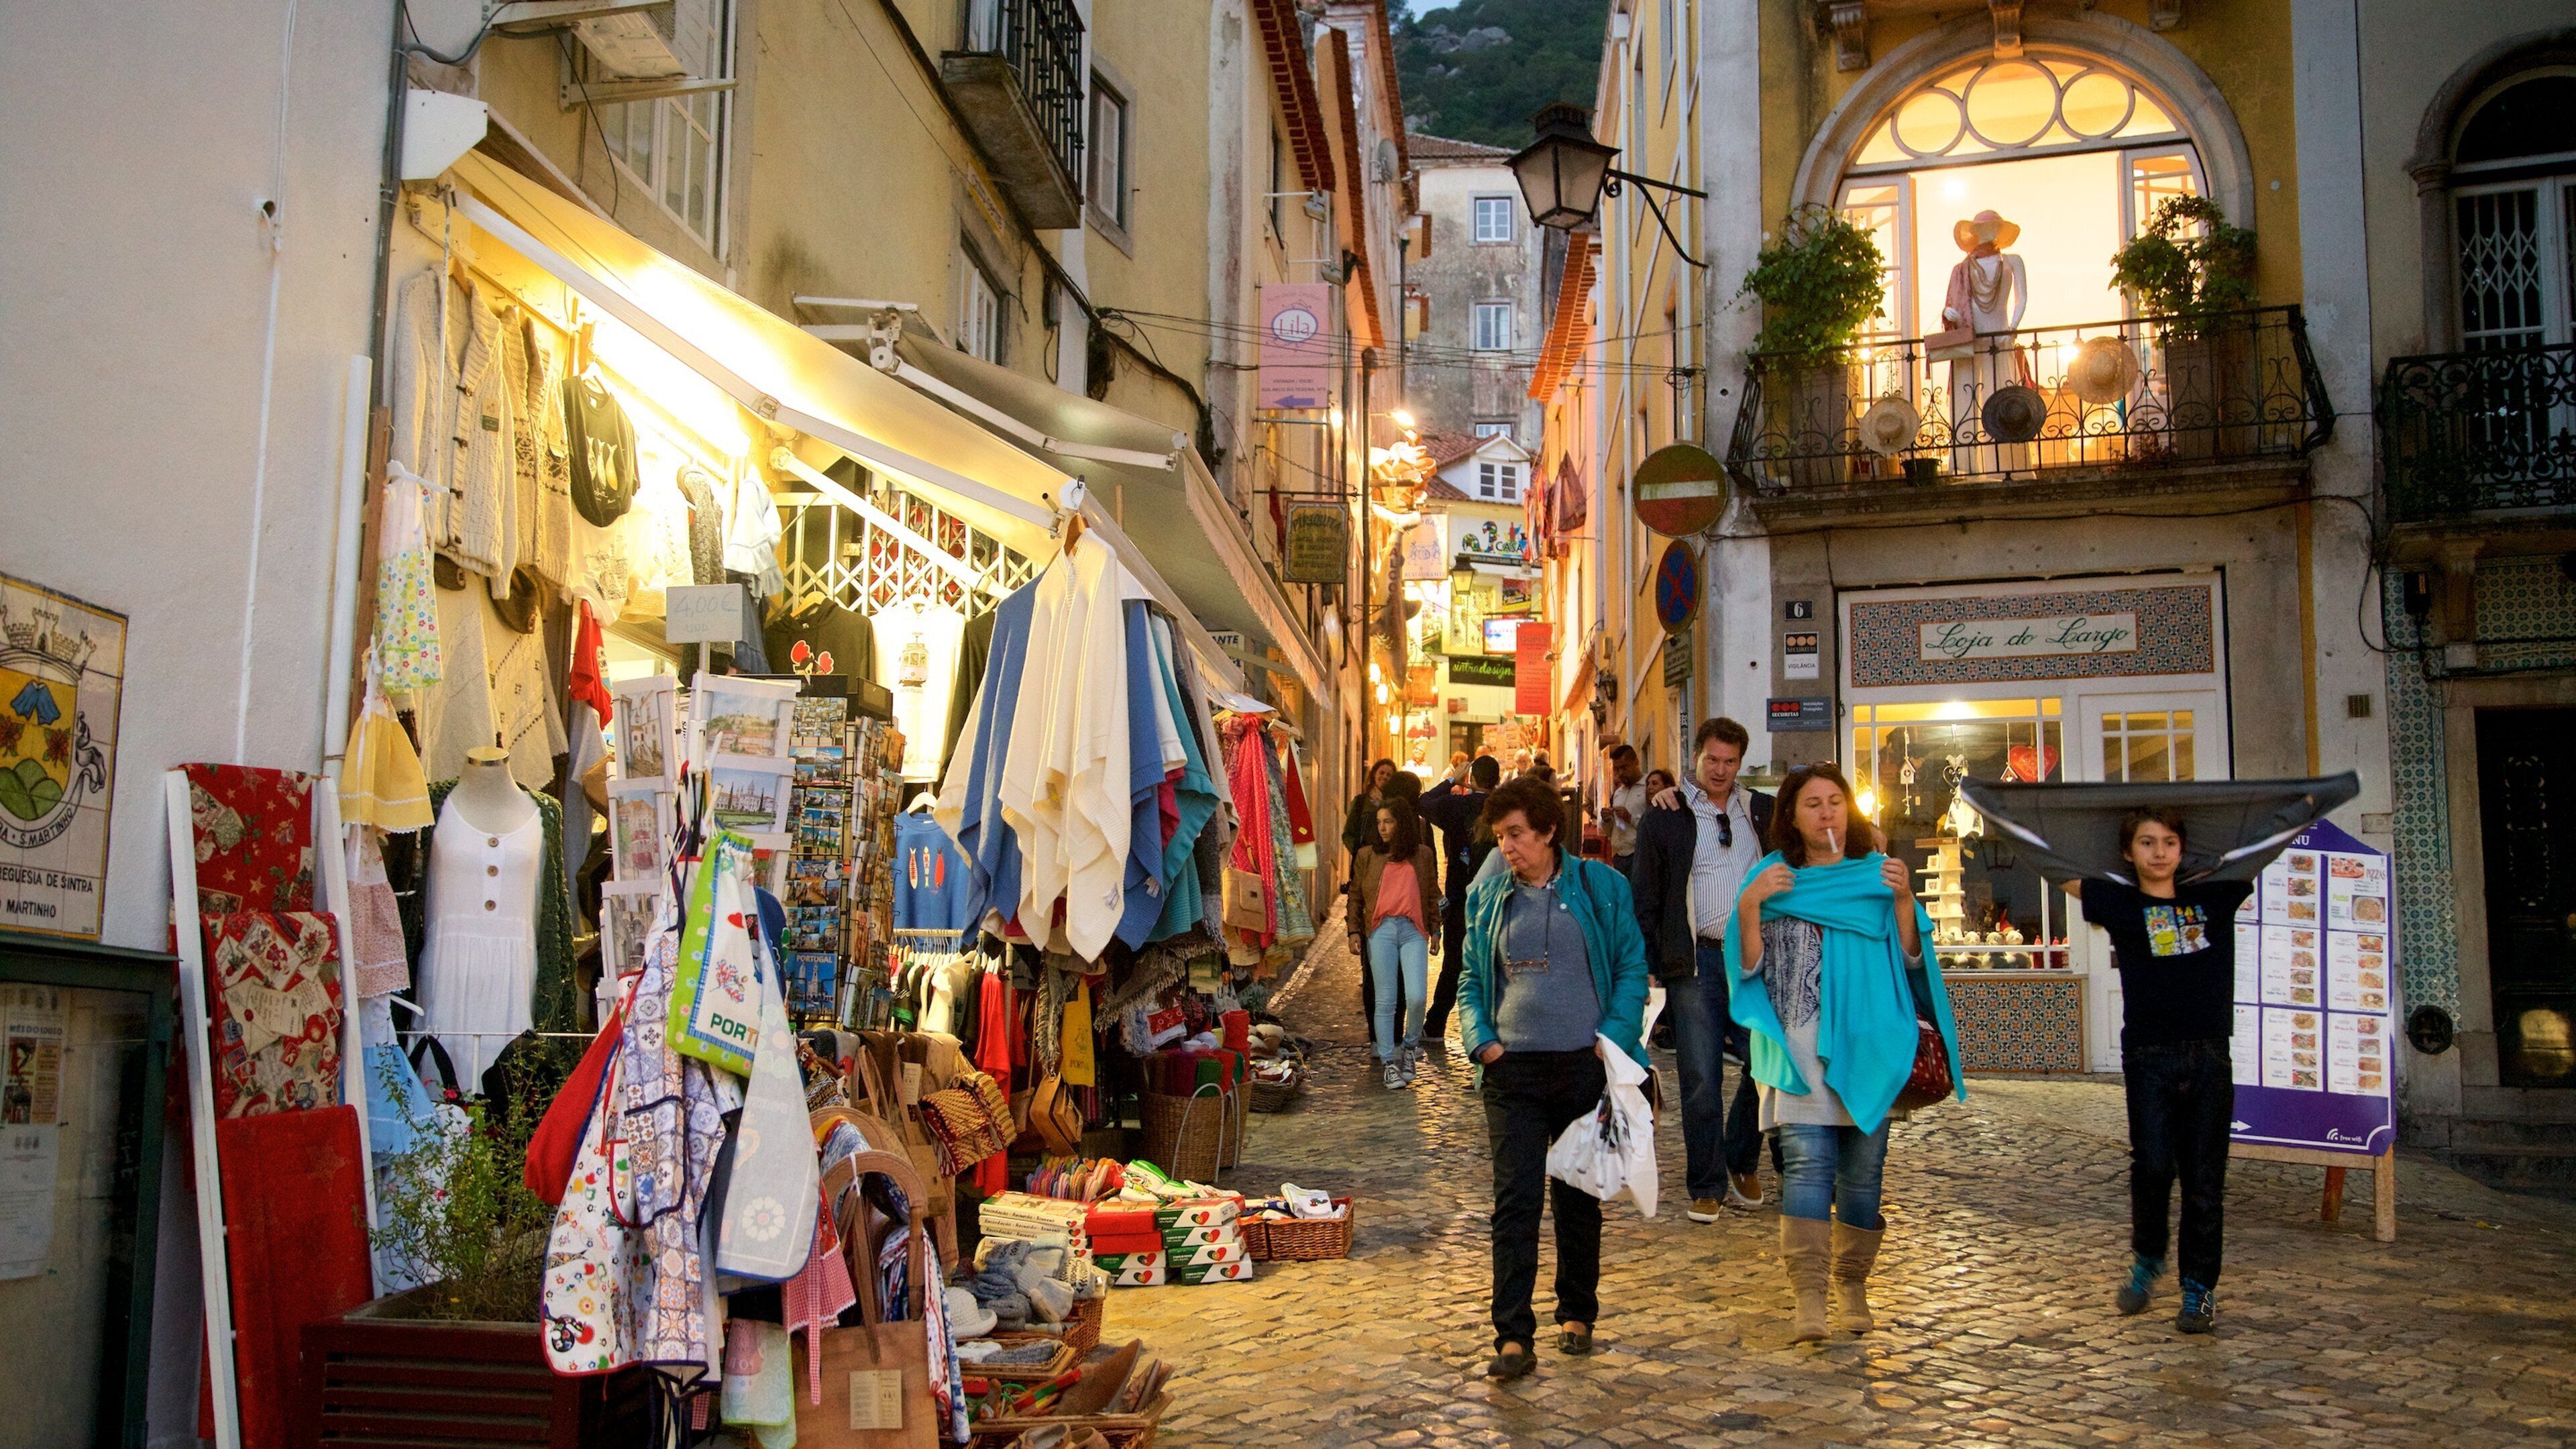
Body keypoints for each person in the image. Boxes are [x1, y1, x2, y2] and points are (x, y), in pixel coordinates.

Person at [1729, 763, 1961, 1343]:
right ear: (1791, 816)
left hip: (1871, 1044)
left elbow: (1912, 961)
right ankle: (1809, 1298)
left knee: (1863, 1174)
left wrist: (1903, 900)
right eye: (1812, 803)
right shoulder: (1770, 878)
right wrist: (1750, 905)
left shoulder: (1876, 876)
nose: (1826, 812)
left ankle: (1852, 1285)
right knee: (1807, 1166)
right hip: (1798, 1047)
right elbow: (1749, 968)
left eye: (1835, 801)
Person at [1458, 776, 1651, 1380]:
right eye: (1500, 837)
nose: (1507, 847)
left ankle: (1577, 1313)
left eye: (1516, 834)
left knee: (1577, 1197)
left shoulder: (1603, 888)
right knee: (1514, 1201)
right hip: (1511, 1071)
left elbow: (1631, 968)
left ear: (1547, 830)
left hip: (1580, 1067)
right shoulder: (1488, 897)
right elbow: (1471, 977)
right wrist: (1482, 1041)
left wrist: (1610, 1038)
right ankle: (1513, 1335)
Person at [2062, 808, 2249, 1335]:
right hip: (2148, 1057)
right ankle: (2148, 1257)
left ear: (2183, 849)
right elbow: (2055, 867)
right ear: (2129, 852)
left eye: (2169, 841)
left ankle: (2199, 1289)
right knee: (2152, 1167)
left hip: (2209, 1055)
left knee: (2205, 1180)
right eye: (2146, 842)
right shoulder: (2120, 904)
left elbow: (2257, 847)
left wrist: (2304, 804)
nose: (2159, 852)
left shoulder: (2215, 898)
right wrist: (2004, 815)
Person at [1631, 718, 1775, 1221]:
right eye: (1712, 759)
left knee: (1767, 1065)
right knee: (1699, 1076)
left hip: (1754, 960)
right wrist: (1649, 964)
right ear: (1695, 757)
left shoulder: (1760, 811)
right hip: (1695, 960)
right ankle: (1707, 1184)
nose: (1720, 770)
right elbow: (1645, 896)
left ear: (1741, 764)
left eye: (1730, 761)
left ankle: (1741, 1156)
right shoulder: (1666, 815)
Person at [1350, 797, 1442, 1087]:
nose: (1382, 828)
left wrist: (1436, 930)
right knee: (1386, 1000)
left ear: (1402, 823)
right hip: (1381, 931)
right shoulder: (1367, 855)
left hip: (1413, 930)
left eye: (1388, 822)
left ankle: (1410, 1048)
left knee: (1416, 997)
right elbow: (1355, 895)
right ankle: (1389, 1062)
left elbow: (1432, 894)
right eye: (1379, 822)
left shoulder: (1423, 855)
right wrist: (1353, 931)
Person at [1420, 753, 1501, 1042]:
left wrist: (1452, 781)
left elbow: (1423, 802)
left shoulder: (1457, 805)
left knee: (1454, 962)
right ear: (1497, 780)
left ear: (1472, 778)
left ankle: (1435, 1025)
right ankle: (1496, 1030)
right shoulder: (1504, 808)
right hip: (1498, 897)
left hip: (1461, 895)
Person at [1342, 758, 1398, 1019]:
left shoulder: (1394, 804)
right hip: (1365, 863)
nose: (1384, 777)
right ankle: (1368, 965)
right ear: (1374, 774)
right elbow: (1348, 833)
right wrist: (1359, 853)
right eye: (1381, 773)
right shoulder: (1361, 802)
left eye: (1389, 775)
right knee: (1362, 908)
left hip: (1388, 863)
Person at [1602, 745, 1647, 878]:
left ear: (1636, 763)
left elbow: (1654, 826)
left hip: (1639, 855)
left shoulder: (1648, 788)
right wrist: (1607, 820)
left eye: (1624, 767)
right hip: (1619, 857)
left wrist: (1630, 818)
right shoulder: (1618, 794)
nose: (1621, 773)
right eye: (1617, 769)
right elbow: (1615, 829)